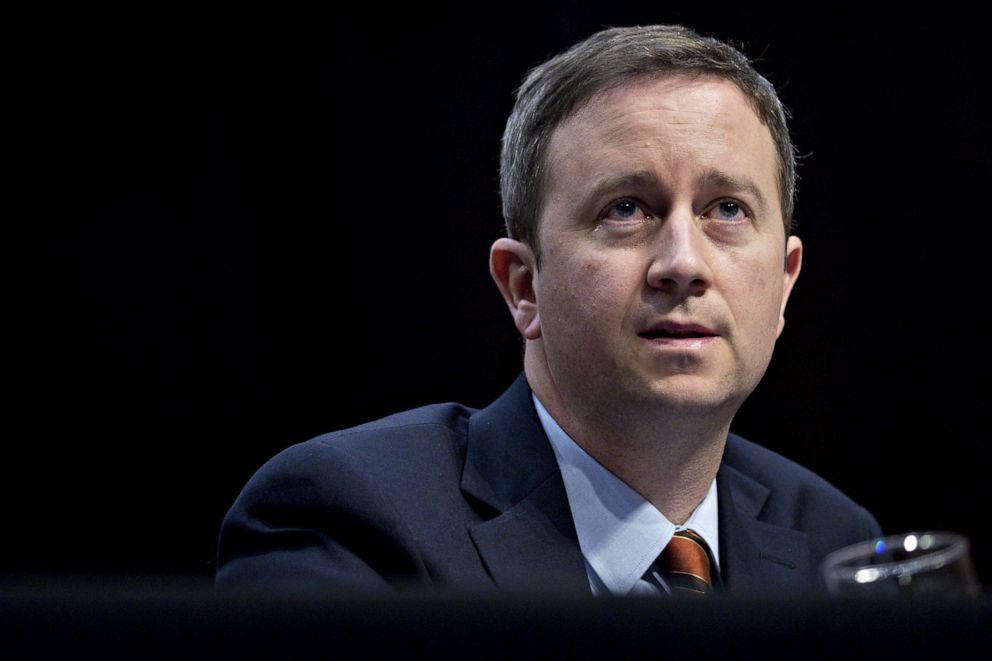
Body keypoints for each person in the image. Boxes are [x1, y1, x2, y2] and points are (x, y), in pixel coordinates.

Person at [216, 24, 881, 597]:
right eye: (626, 209)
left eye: (727, 210)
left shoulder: (834, 543)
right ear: (523, 286)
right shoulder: (351, 522)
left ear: (786, 280)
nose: (683, 262)